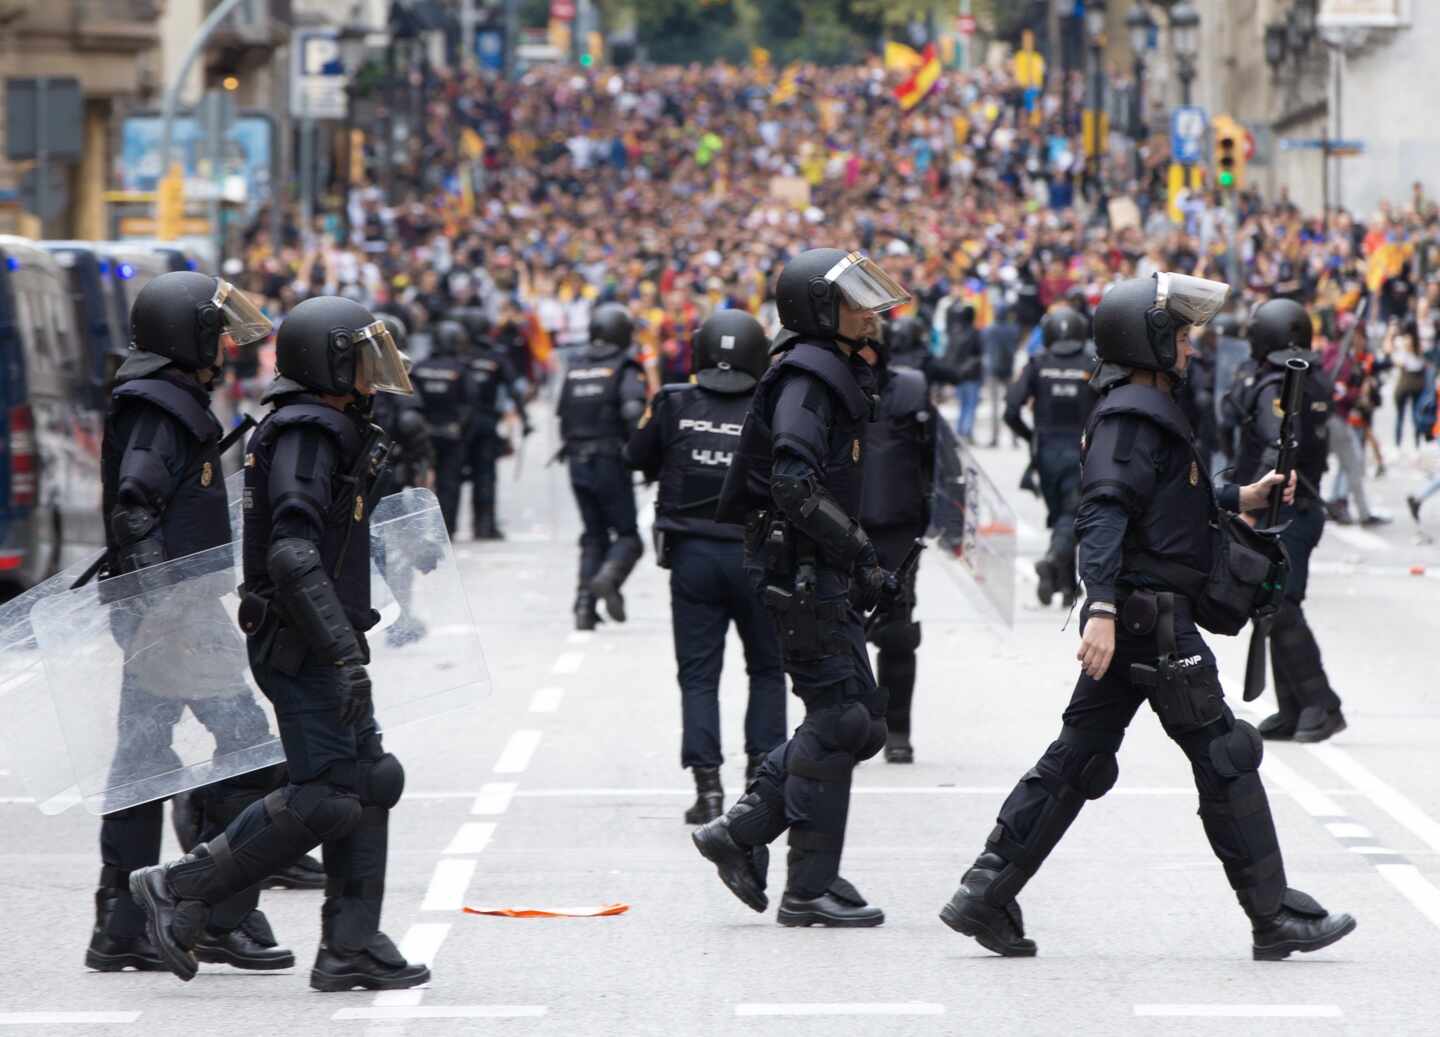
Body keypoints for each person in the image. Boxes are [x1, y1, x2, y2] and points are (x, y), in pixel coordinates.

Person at [939, 273, 1356, 960]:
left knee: (1077, 757)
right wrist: (1098, 607)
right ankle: (1273, 913)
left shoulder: (1145, 408)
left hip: (1139, 618)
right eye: (1182, 335)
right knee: (1226, 753)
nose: (1192, 347)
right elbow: (1102, 513)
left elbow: (1172, 496)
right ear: (1150, 339)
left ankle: (986, 887)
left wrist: (1241, 494)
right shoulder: (1134, 413)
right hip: (1150, 620)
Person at [129, 295, 431, 992]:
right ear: (327, 361)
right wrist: (343, 653)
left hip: (322, 636)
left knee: (370, 780)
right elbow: (293, 555)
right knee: (325, 794)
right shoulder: (306, 432)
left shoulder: (329, 426)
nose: (371, 370)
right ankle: (180, 885)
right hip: (302, 642)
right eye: (359, 356)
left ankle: (351, 943)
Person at [693, 248, 908, 928]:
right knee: (841, 717)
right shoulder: (808, 377)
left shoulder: (832, 368)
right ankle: (794, 875)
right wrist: (862, 550)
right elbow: (791, 482)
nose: (870, 312)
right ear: (819, 310)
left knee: (862, 722)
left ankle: (754, 839)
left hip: (819, 567)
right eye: (854, 302)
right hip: (802, 571)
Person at [91, 271, 293, 974]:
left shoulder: (163, 399)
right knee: (249, 749)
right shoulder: (162, 406)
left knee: (143, 760)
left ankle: (119, 922)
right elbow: (135, 505)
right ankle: (208, 910)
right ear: (187, 334)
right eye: (212, 328)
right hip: (171, 611)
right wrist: (164, 609)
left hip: (165, 607)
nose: (222, 341)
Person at [623, 310, 786, 823]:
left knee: (698, 676)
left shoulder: (673, 403)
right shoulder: (774, 404)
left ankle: (709, 789)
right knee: (767, 669)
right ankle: (761, 787)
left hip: (693, 558)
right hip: (757, 556)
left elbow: (636, 455)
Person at [1222, 299, 1347, 742]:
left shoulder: (1279, 386)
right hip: (1295, 507)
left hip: (1287, 508)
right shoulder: (1306, 382)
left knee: (1283, 607)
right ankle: (1292, 707)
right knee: (1272, 607)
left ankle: (1322, 704)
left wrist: (1255, 500)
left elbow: (1276, 447)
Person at [859, 322, 940, 763]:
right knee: (838, 635)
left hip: (897, 530)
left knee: (897, 634)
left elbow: (934, 457)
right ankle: (851, 726)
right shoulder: (826, 389)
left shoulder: (908, 391)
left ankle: (897, 729)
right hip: (839, 528)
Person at [556, 302, 648, 629]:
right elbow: (633, 412)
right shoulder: (625, 366)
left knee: (594, 535)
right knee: (628, 537)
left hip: (576, 462)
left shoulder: (576, 366)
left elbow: (562, 414)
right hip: (609, 460)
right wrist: (642, 457)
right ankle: (609, 578)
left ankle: (584, 607)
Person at [1004, 305, 1096, 608]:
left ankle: (1067, 586)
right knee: (1072, 518)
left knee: (1061, 517)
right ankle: (1053, 560)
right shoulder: (1091, 364)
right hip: (1081, 450)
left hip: (1045, 452)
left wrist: (1031, 437)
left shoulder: (1037, 364)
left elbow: (1010, 410)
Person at [452, 307, 531, 540]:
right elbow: (514, 391)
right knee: (485, 475)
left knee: (451, 477)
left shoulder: (457, 356)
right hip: (485, 423)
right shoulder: (495, 357)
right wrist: (525, 419)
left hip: (460, 426)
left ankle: (448, 527)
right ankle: (484, 527)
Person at [409, 319, 473, 535]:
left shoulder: (419, 368)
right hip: (451, 436)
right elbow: (470, 405)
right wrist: (461, 430)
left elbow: (410, 402)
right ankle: (446, 530)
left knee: (417, 484)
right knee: (449, 484)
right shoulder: (460, 370)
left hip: (422, 435)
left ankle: (416, 531)